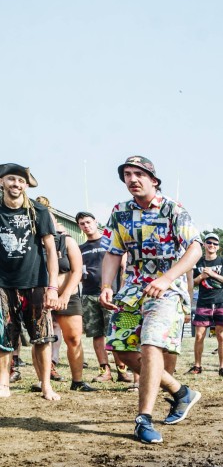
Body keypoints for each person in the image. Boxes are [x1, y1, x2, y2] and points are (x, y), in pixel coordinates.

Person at [99, 156, 203, 442]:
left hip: (167, 289)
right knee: (121, 350)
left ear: (153, 180)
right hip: (133, 289)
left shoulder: (173, 209)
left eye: (138, 174)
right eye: (127, 175)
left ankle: (143, 418)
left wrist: (168, 278)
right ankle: (181, 392)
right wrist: (107, 285)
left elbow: (196, 249)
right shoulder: (120, 212)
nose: (132, 179)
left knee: (151, 343)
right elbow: (112, 251)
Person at [0, 164, 59, 399]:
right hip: (3, 283)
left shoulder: (38, 211)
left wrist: (53, 287)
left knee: (42, 336)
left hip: (35, 282)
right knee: (4, 336)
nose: (16, 184)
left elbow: (51, 251)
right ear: (1, 182)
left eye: (21, 181)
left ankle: (46, 385)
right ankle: (3, 384)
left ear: (26, 185)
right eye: (11, 179)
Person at [36, 202, 94, 392]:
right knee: (41, 340)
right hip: (40, 295)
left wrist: (65, 296)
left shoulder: (67, 240)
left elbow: (77, 271)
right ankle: (42, 381)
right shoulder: (32, 241)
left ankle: (77, 381)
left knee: (74, 338)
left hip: (67, 295)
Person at [75, 212, 116, 383]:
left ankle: (122, 369)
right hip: (89, 294)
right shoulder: (80, 248)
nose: (86, 226)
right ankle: (104, 369)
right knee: (97, 334)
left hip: (111, 294)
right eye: (82, 224)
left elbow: (121, 267)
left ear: (96, 222)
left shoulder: (110, 243)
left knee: (115, 334)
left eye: (88, 222)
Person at [189, 233, 223, 376]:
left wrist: (213, 275)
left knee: (221, 337)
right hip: (203, 302)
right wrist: (201, 276)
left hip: (221, 301)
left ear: (218, 247)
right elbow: (191, 283)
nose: (212, 245)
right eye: (209, 242)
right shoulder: (198, 262)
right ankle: (197, 366)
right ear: (204, 244)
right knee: (199, 336)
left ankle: (222, 368)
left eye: (215, 243)